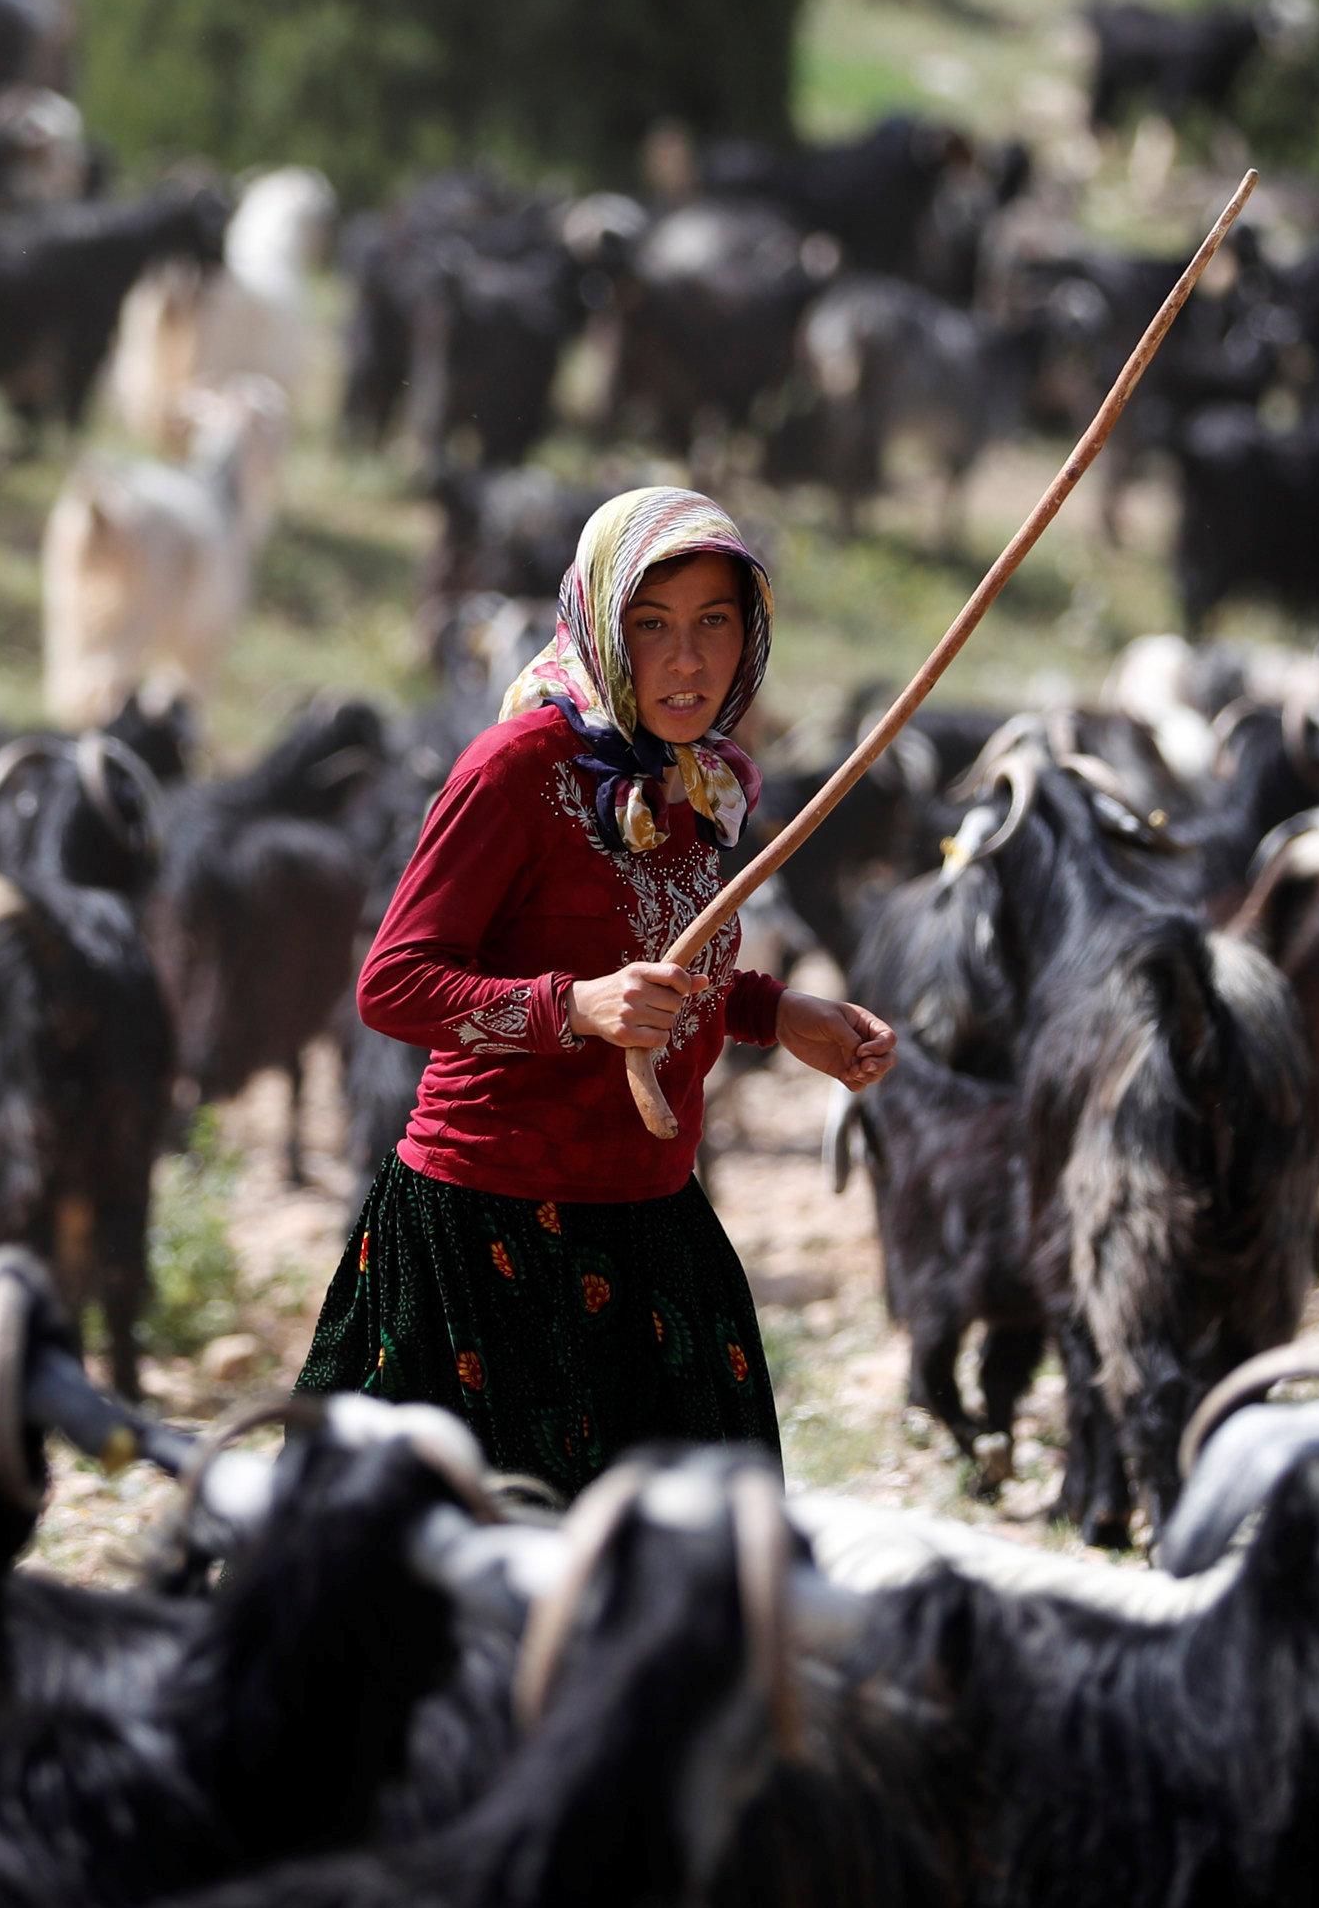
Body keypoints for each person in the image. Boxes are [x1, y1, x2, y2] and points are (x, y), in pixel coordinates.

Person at [297, 487, 896, 1491]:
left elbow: (672, 964)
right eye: (651, 626)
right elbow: (392, 984)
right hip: (484, 1234)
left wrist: (775, 1012)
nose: (688, 660)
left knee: (683, 1586)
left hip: (650, 1226)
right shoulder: (514, 768)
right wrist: (570, 1007)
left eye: (715, 623)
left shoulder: (702, 785)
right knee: (482, 1588)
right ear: (598, 626)